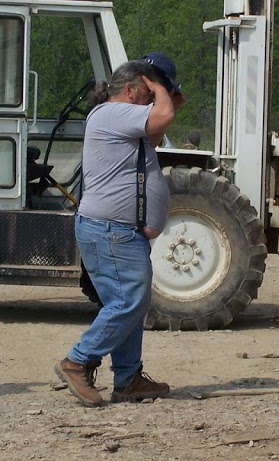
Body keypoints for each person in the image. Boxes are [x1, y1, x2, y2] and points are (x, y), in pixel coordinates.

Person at [55, 53, 184, 407]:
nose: (152, 98)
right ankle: (77, 361)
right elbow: (162, 116)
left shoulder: (119, 118)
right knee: (130, 300)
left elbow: (156, 131)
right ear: (130, 89)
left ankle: (127, 378)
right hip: (110, 230)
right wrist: (161, 91)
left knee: (129, 302)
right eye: (148, 91)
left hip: (118, 231)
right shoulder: (114, 113)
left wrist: (164, 97)